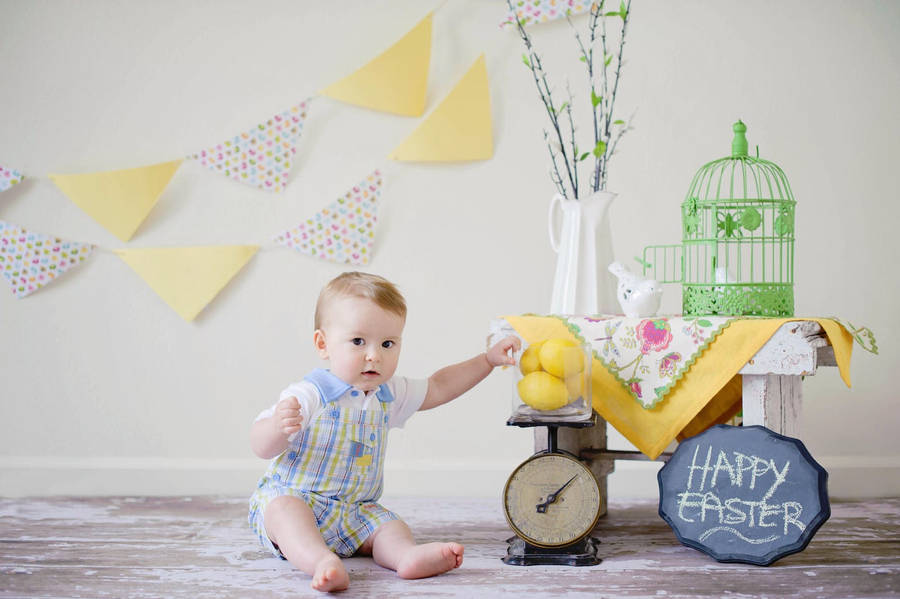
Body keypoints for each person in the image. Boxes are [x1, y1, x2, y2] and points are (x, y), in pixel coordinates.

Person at [248, 271, 520, 592]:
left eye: (387, 343)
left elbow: (439, 386)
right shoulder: (311, 393)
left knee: (389, 525)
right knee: (284, 512)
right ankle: (320, 561)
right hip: (299, 499)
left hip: (355, 511)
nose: (374, 354)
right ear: (323, 344)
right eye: (358, 341)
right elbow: (260, 445)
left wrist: (487, 360)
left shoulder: (387, 393)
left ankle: (406, 556)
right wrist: (278, 429)